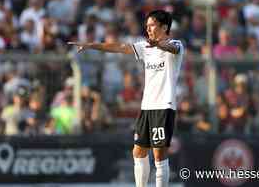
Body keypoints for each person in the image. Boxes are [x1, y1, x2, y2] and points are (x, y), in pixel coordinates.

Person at [68, 10, 184, 187]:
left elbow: (171, 48)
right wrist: (92, 45)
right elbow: (120, 47)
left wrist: (157, 44)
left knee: (159, 155)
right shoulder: (146, 47)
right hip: (146, 107)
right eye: (147, 26)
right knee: (138, 152)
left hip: (164, 106)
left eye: (152, 25)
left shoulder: (176, 45)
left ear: (164, 27)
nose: (148, 29)